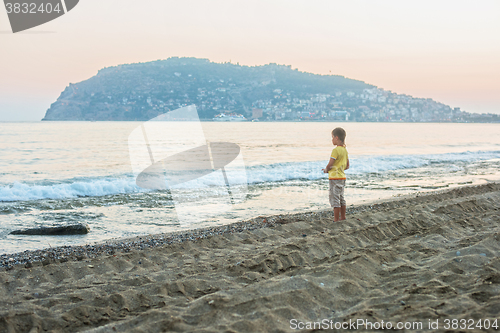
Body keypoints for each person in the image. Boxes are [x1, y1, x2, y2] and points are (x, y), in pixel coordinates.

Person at [322, 127, 349, 222]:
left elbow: (330, 164)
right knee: (341, 197)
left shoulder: (335, 150)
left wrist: (326, 170)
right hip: (342, 177)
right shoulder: (345, 150)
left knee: (335, 198)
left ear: (336, 138)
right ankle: (343, 217)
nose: (332, 139)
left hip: (334, 178)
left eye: (332, 137)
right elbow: (347, 166)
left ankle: (336, 219)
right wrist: (340, 168)